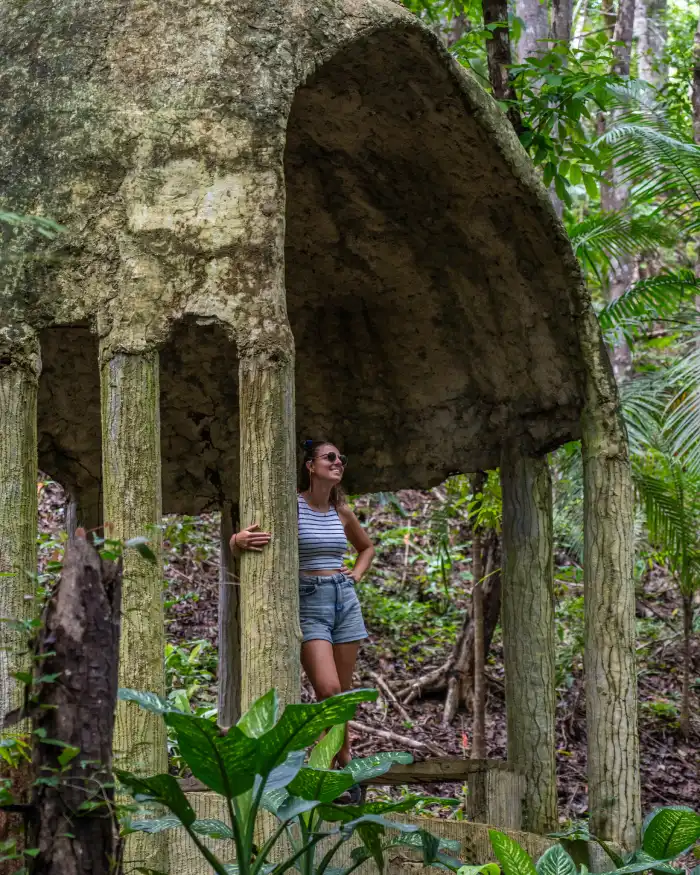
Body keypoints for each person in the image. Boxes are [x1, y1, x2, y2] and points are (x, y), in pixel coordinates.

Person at [231, 439, 374, 790]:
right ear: (310, 466)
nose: (338, 461)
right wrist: (237, 540)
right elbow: (247, 536)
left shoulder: (342, 513)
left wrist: (355, 575)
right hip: (308, 602)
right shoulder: (290, 506)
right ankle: (343, 763)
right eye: (330, 457)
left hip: (344, 600)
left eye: (342, 457)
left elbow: (366, 547)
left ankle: (334, 771)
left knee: (341, 696)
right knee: (327, 688)